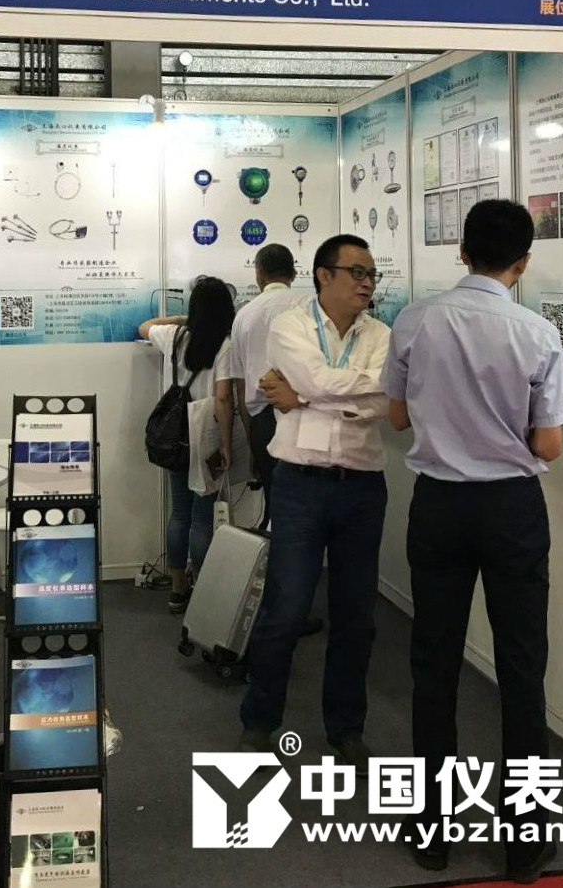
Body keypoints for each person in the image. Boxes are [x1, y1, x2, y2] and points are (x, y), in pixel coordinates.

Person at [381, 199, 563, 884]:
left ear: (461, 252)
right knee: (521, 667)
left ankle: (431, 830)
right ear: (522, 263)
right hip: (511, 510)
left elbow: (397, 417)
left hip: (438, 506)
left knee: (434, 662)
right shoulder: (537, 333)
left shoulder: (414, 321)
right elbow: (548, 443)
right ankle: (524, 841)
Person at [239, 235, 390, 766]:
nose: (367, 284)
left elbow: (387, 398)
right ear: (324, 275)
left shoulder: (383, 335)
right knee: (286, 609)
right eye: (358, 273)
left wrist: (302, 397)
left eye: (371, 275)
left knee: (356, 616)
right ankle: (260, 719)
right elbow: (330, 379)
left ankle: (345, 729)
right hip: (300, 485)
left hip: (362, 487)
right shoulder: (290, 326)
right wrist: (339, 391)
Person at [139, 276, 236, 614]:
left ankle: (178, 589)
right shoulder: (225, 345)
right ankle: (204, 591)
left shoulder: (176, 336)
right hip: (206, 436)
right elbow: (223, 399)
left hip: (176, 436)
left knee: (179, 513)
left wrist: (182, 319)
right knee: (202, 517)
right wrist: (227, 445)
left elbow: (144, 326)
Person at [230, 243, 302, 529]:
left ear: (258, 274)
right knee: (305, 500)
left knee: (275, 496)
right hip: (306, 415)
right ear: (293, 273)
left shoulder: (244, 315)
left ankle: (276, 551)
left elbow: (240, 384)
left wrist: (251, 435)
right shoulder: (310, 306)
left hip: (263, 420)